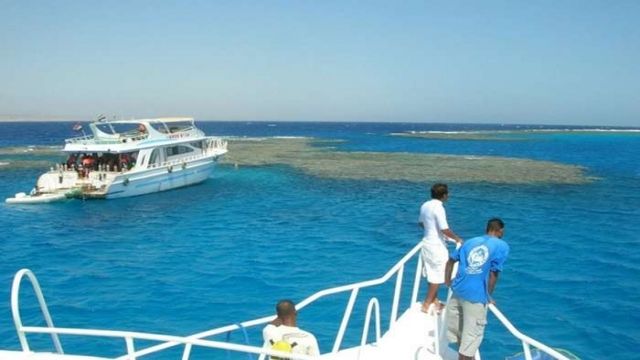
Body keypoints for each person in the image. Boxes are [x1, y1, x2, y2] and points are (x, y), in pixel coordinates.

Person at [444, 218, 509, 360]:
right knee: (470, 340)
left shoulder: (470, 242)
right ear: (500, 231)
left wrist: (447, 281)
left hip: (457, 292)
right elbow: (494, 273)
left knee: (462, 337)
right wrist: (488, 295)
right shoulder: (501, 245)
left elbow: (450, 260)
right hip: (475, 297)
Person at [418, 183, 463, 313]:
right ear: (444, 195)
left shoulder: (425, 205)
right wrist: (457, 239)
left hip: (426, 243)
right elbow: (445, 229)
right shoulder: (439, 208)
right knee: (439, 274)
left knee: (432, 273)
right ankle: (426, 304)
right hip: (436, 246)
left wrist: (433, 230)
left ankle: (434, 300)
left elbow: (421, 223)